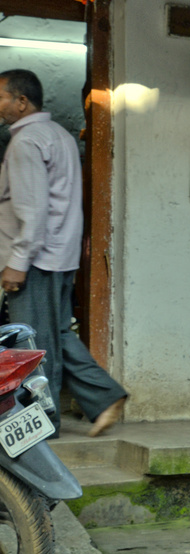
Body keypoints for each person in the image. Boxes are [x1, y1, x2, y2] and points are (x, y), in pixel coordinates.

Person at [0, 69, 126, 436]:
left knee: (33, 345)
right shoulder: (59, 135)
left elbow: (33, 211)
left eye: (1, 97)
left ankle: (43, 422)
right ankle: (105, 397)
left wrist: (17, 263)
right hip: (60, 254)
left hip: (36, 259)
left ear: (21, 102)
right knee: (57, 334)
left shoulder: (26, 143)